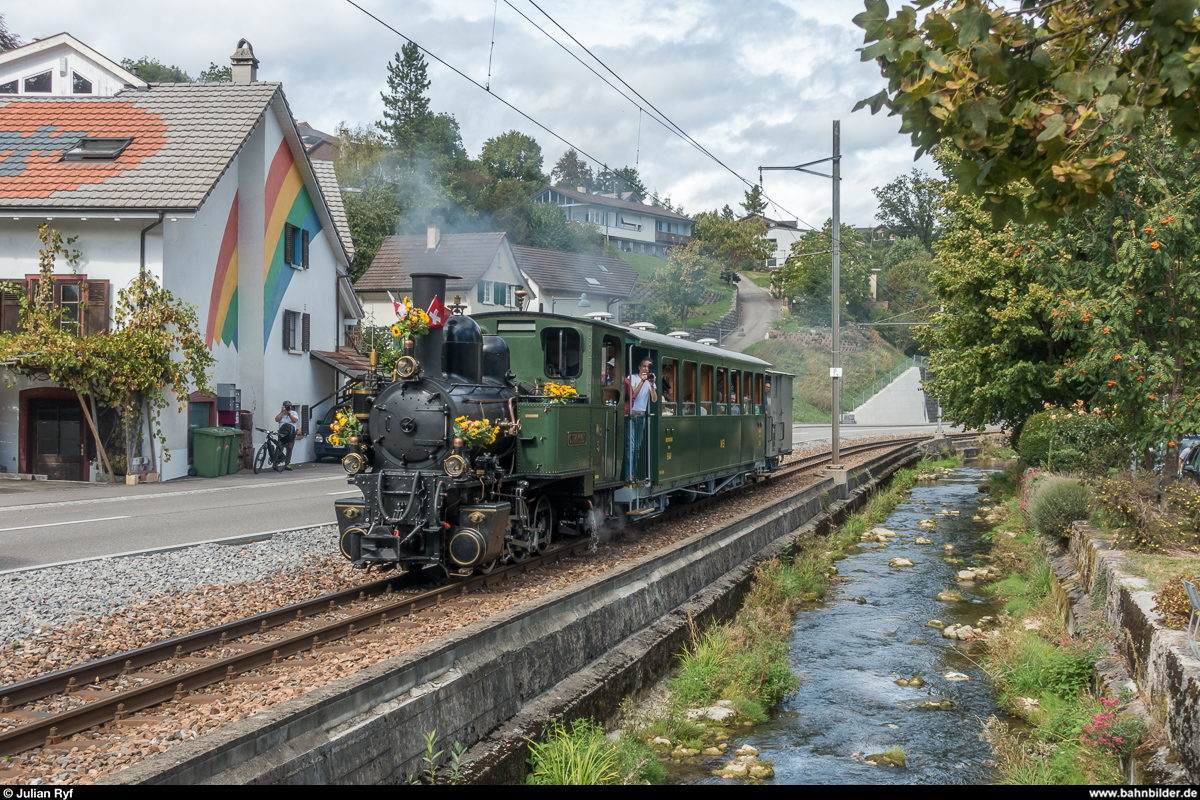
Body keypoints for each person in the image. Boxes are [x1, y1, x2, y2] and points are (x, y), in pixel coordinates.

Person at [625, 357, 657, 481]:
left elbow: (654, 399)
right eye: (644, 366)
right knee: (631, 447)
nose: (646, 369)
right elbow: (633, 394)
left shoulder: (650, 381)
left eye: (648, 367)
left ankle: (634, 473)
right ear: (639, 367)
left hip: (641, 415)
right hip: (632, 414)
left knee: (637, 447)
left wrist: (652, 385)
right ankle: (630, 474)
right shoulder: (632, 378)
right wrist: (642, 382)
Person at [275, 400, 299, 471]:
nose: (287, 408)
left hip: (291, 434)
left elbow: (295, 420)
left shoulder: (294, 413)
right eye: (286, 407)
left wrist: (289, 414)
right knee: (279, 448)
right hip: (282, 434)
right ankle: (277, 462)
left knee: (289, 449)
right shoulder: (281, 414)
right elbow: (276, 419)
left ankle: (287, 463)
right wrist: (282, 412)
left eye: (289, 407)